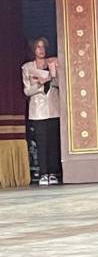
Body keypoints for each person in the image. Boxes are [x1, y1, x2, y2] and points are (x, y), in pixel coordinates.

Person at [22, 37, 62, 186]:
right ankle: (43, 173)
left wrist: (53, 75)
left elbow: (61, 84)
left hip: (53, 109)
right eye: (38, 47)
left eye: (43, 47)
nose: (41, 50)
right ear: (33, 49)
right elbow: (27, 91)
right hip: (38, 111)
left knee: (53, 143)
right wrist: (40, 83)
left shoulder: (53, 63)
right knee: (41, 143)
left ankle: (53, 173)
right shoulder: (27, 67)